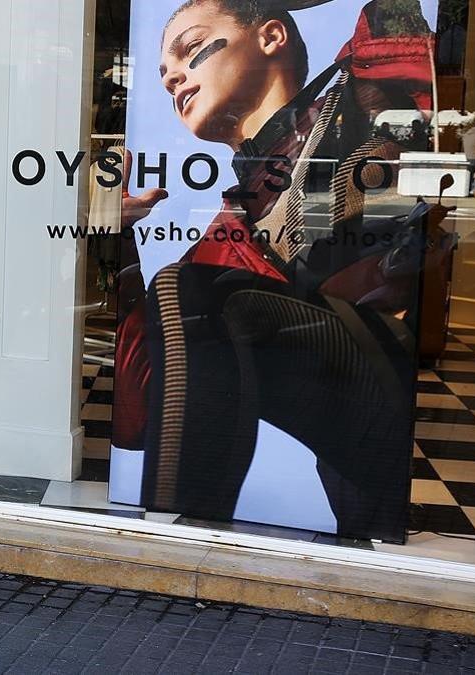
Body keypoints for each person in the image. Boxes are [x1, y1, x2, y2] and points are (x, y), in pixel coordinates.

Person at [110, 0, 435, 541]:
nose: (171, 77)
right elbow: (138, 415)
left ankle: (176, 538)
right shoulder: (221, 240)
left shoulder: (359, 88)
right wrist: (117, 234)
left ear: (271, 36)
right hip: (343, 419)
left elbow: (397, 22)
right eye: (162, 75)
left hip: (387, 369)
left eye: (190, 50)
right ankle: (177, 548)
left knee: (195, 291)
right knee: (187, 287)